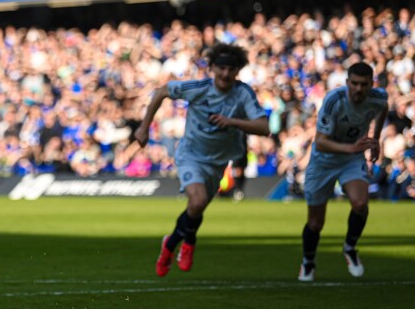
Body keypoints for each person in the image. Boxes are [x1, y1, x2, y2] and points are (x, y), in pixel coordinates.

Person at [134, 43, 269, 276]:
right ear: (212, 68)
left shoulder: (243, 93)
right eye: (221, 68)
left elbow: (263, 127)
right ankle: (189, 244)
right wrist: (144, 127)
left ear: (238, 71)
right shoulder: (199, 88)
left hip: (218, 162)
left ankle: (169, 244)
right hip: (191, 156)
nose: (226, 74)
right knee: (197, 202)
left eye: (231, 69)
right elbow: (162, 91)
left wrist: (233, 122)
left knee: (196, 209)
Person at [298, 62, 388, 282]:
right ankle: (308, 261)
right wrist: (352, 147)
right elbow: (320, 141)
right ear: (347, 82)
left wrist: (375, 139)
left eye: (363, 85)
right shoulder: (334, 100)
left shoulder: (378, 98)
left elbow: (382, 109)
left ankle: (350, 247)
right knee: (315, 223)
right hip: (323, 161)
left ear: (370, 84)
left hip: (351, 158)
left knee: (360, 203)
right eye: (354, 84)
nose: (358, 89)